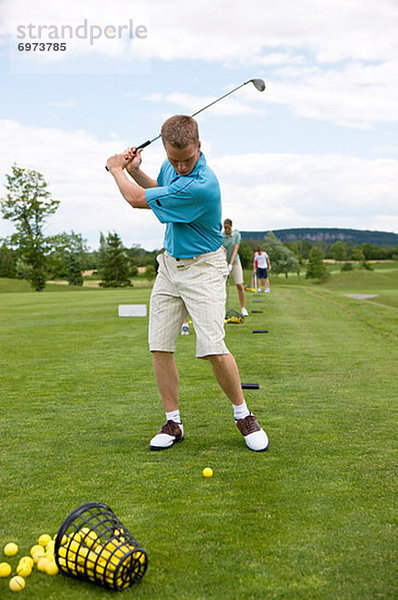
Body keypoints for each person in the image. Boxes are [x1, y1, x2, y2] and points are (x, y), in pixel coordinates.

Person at [106, 115, 268, 453]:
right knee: (160, 345)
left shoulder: (203, 184)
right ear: (166, 149)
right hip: (169, 266)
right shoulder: (173, 169)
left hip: (204, 268)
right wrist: (136, 169)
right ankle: (173, 422)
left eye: (186, 160)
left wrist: (117, 170)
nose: (179, 167)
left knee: (212, 346)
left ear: (199, 146)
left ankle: (244, 415)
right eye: (173, 159)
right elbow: (157, 191)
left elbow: (138, 200)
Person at [222, 219, 249, 317]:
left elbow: (235, 250)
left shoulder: (236, 235)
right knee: (221, 287)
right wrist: (226, 264)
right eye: (225, 228)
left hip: (236, 262)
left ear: (231, 227)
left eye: (228, 228)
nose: (226, 230)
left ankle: (243, 308)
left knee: (239, 285)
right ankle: (221, 309)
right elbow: (223, 251)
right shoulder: (221, 236)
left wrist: (231, 264)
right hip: (224, 262)